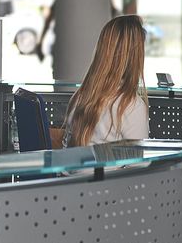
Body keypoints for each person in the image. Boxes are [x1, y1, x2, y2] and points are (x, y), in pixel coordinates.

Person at [63, 15, 149, 146]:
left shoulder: (80, 97)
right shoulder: (131, 106)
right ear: (135, 56)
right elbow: (140, 164)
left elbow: (66, 148)